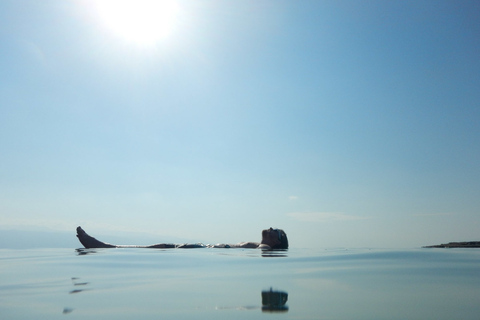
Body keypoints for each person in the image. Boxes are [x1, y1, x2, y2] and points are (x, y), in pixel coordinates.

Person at [76, 226, 288, 250]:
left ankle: (107, 246)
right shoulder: (263, 248)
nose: (270, 228)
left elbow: (263, 252)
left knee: (163, 246)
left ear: (277, 242)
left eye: (275, 231)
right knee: (163, 246)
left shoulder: (265, 249)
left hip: (205, 250)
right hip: (206, 248)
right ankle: (107, 246)